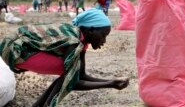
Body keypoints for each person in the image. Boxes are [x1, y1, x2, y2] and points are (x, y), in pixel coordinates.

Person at [0, 8, 129, 107]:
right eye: (103, 35)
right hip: (14, 48)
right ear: (90, 30)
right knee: (68, 73)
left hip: (22, 47)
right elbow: (73, 81)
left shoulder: (82, 42)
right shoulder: (73, 41)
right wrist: (110, 84)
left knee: (70, 72)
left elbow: (81, 75)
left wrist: (112, 81)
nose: (104, 41)